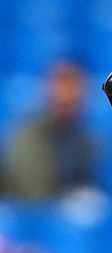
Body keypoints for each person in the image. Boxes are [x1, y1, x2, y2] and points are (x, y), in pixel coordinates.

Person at [0, 60, 98, 201]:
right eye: (63, 102)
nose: (68, 96)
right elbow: (34, 195)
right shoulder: (28, 136)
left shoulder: (86, 139)